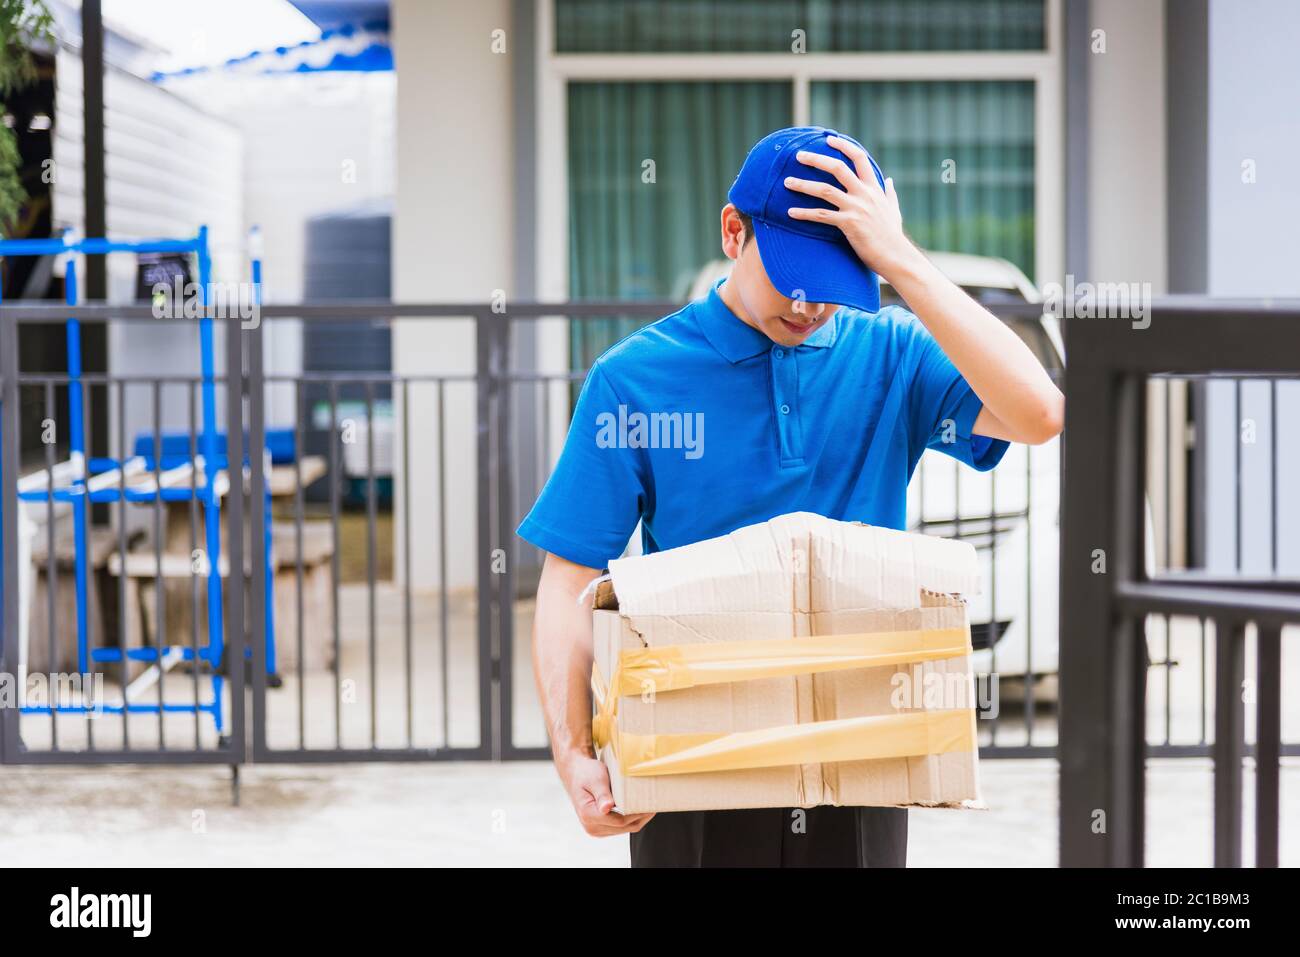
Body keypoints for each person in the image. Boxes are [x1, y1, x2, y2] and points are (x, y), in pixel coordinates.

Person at [517, 126, 1064, 867]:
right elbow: (570, 577)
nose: (810, 305)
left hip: (859, 755)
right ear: (733, 231)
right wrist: (573, 752)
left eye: (836, 284)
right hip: (689, 762)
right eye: (794, 275)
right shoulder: (635, 379)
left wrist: (899, 258)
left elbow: (1039, 413)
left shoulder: (892, 351)